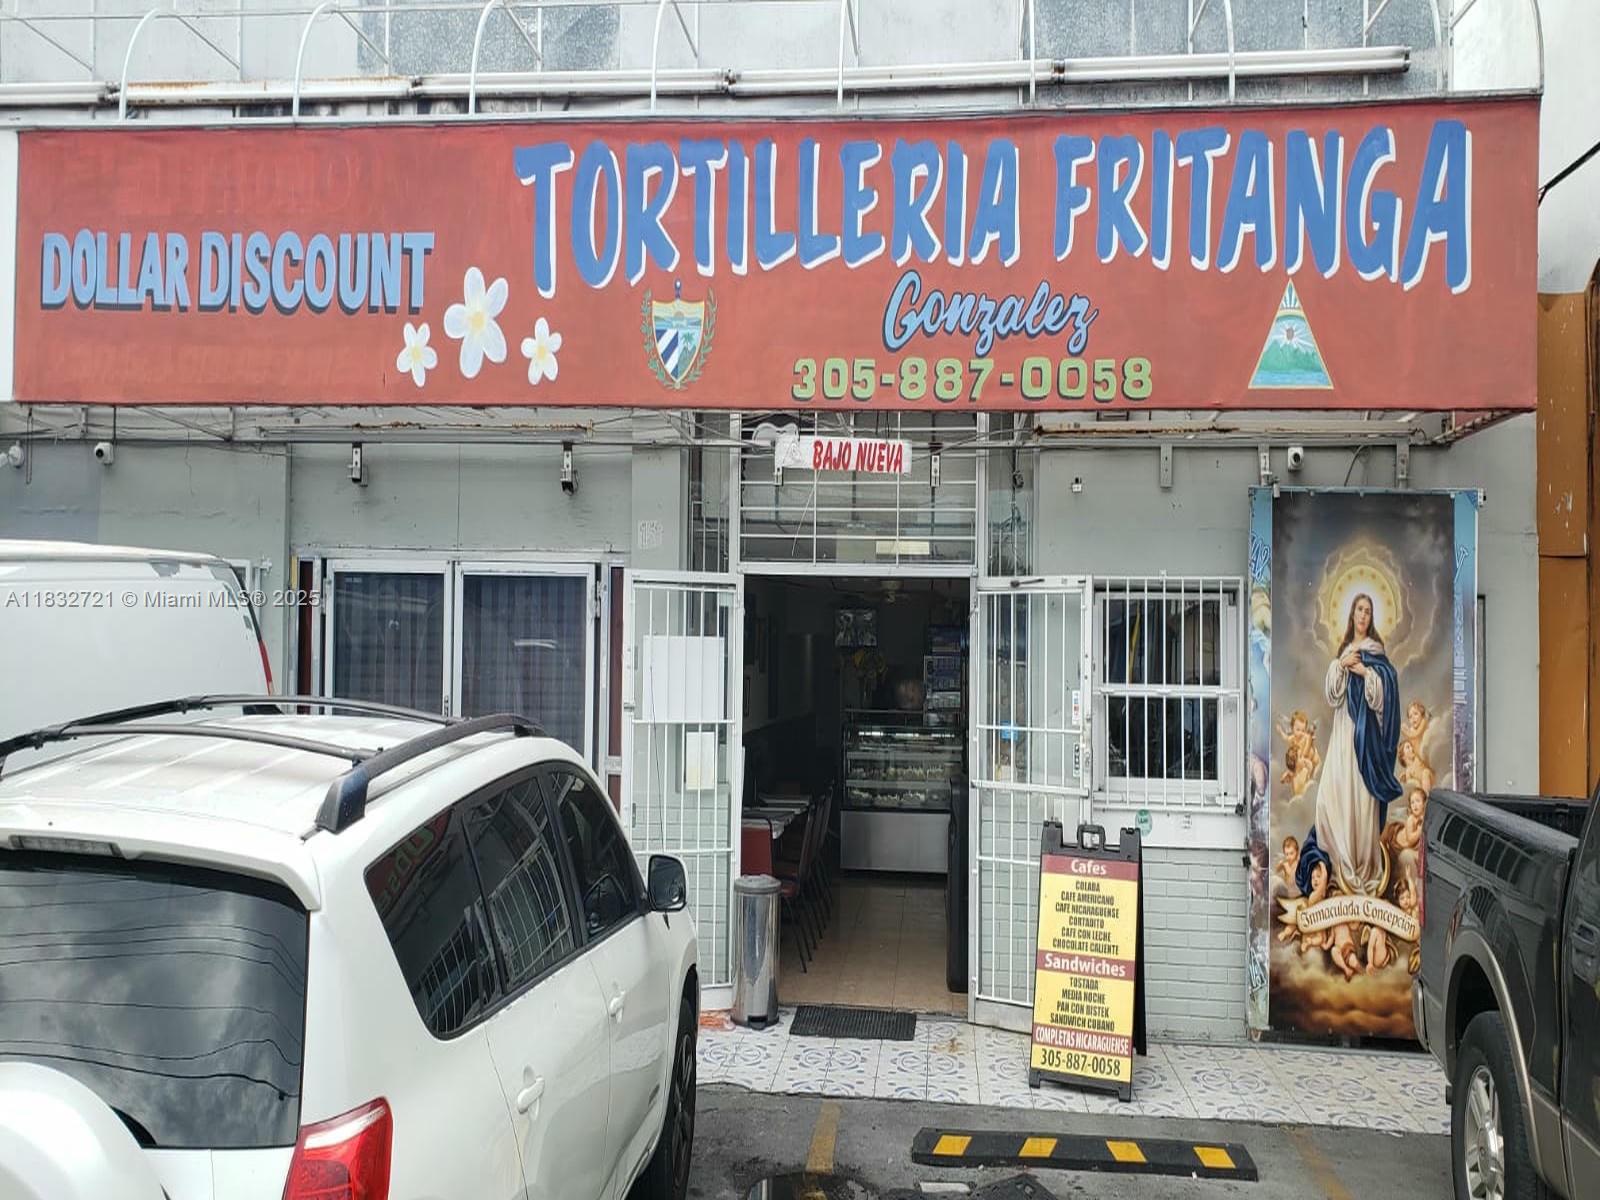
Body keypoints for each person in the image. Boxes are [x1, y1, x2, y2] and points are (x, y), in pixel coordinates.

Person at [1295, 593, 1404, 973]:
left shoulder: (1377, 657)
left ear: (1372, 617)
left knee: (1360, 802)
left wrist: (1365, 673)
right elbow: (1332, 694)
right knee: (1332, 800)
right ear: (1351, 615)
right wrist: (1341, 666)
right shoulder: (1344, 653)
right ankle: (1340, 866)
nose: (1363, 615)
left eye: (1368, 611)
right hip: (1343, 739)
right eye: (1359, 609)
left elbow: (1383, 699)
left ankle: (1362, 871)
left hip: (1365, 744)